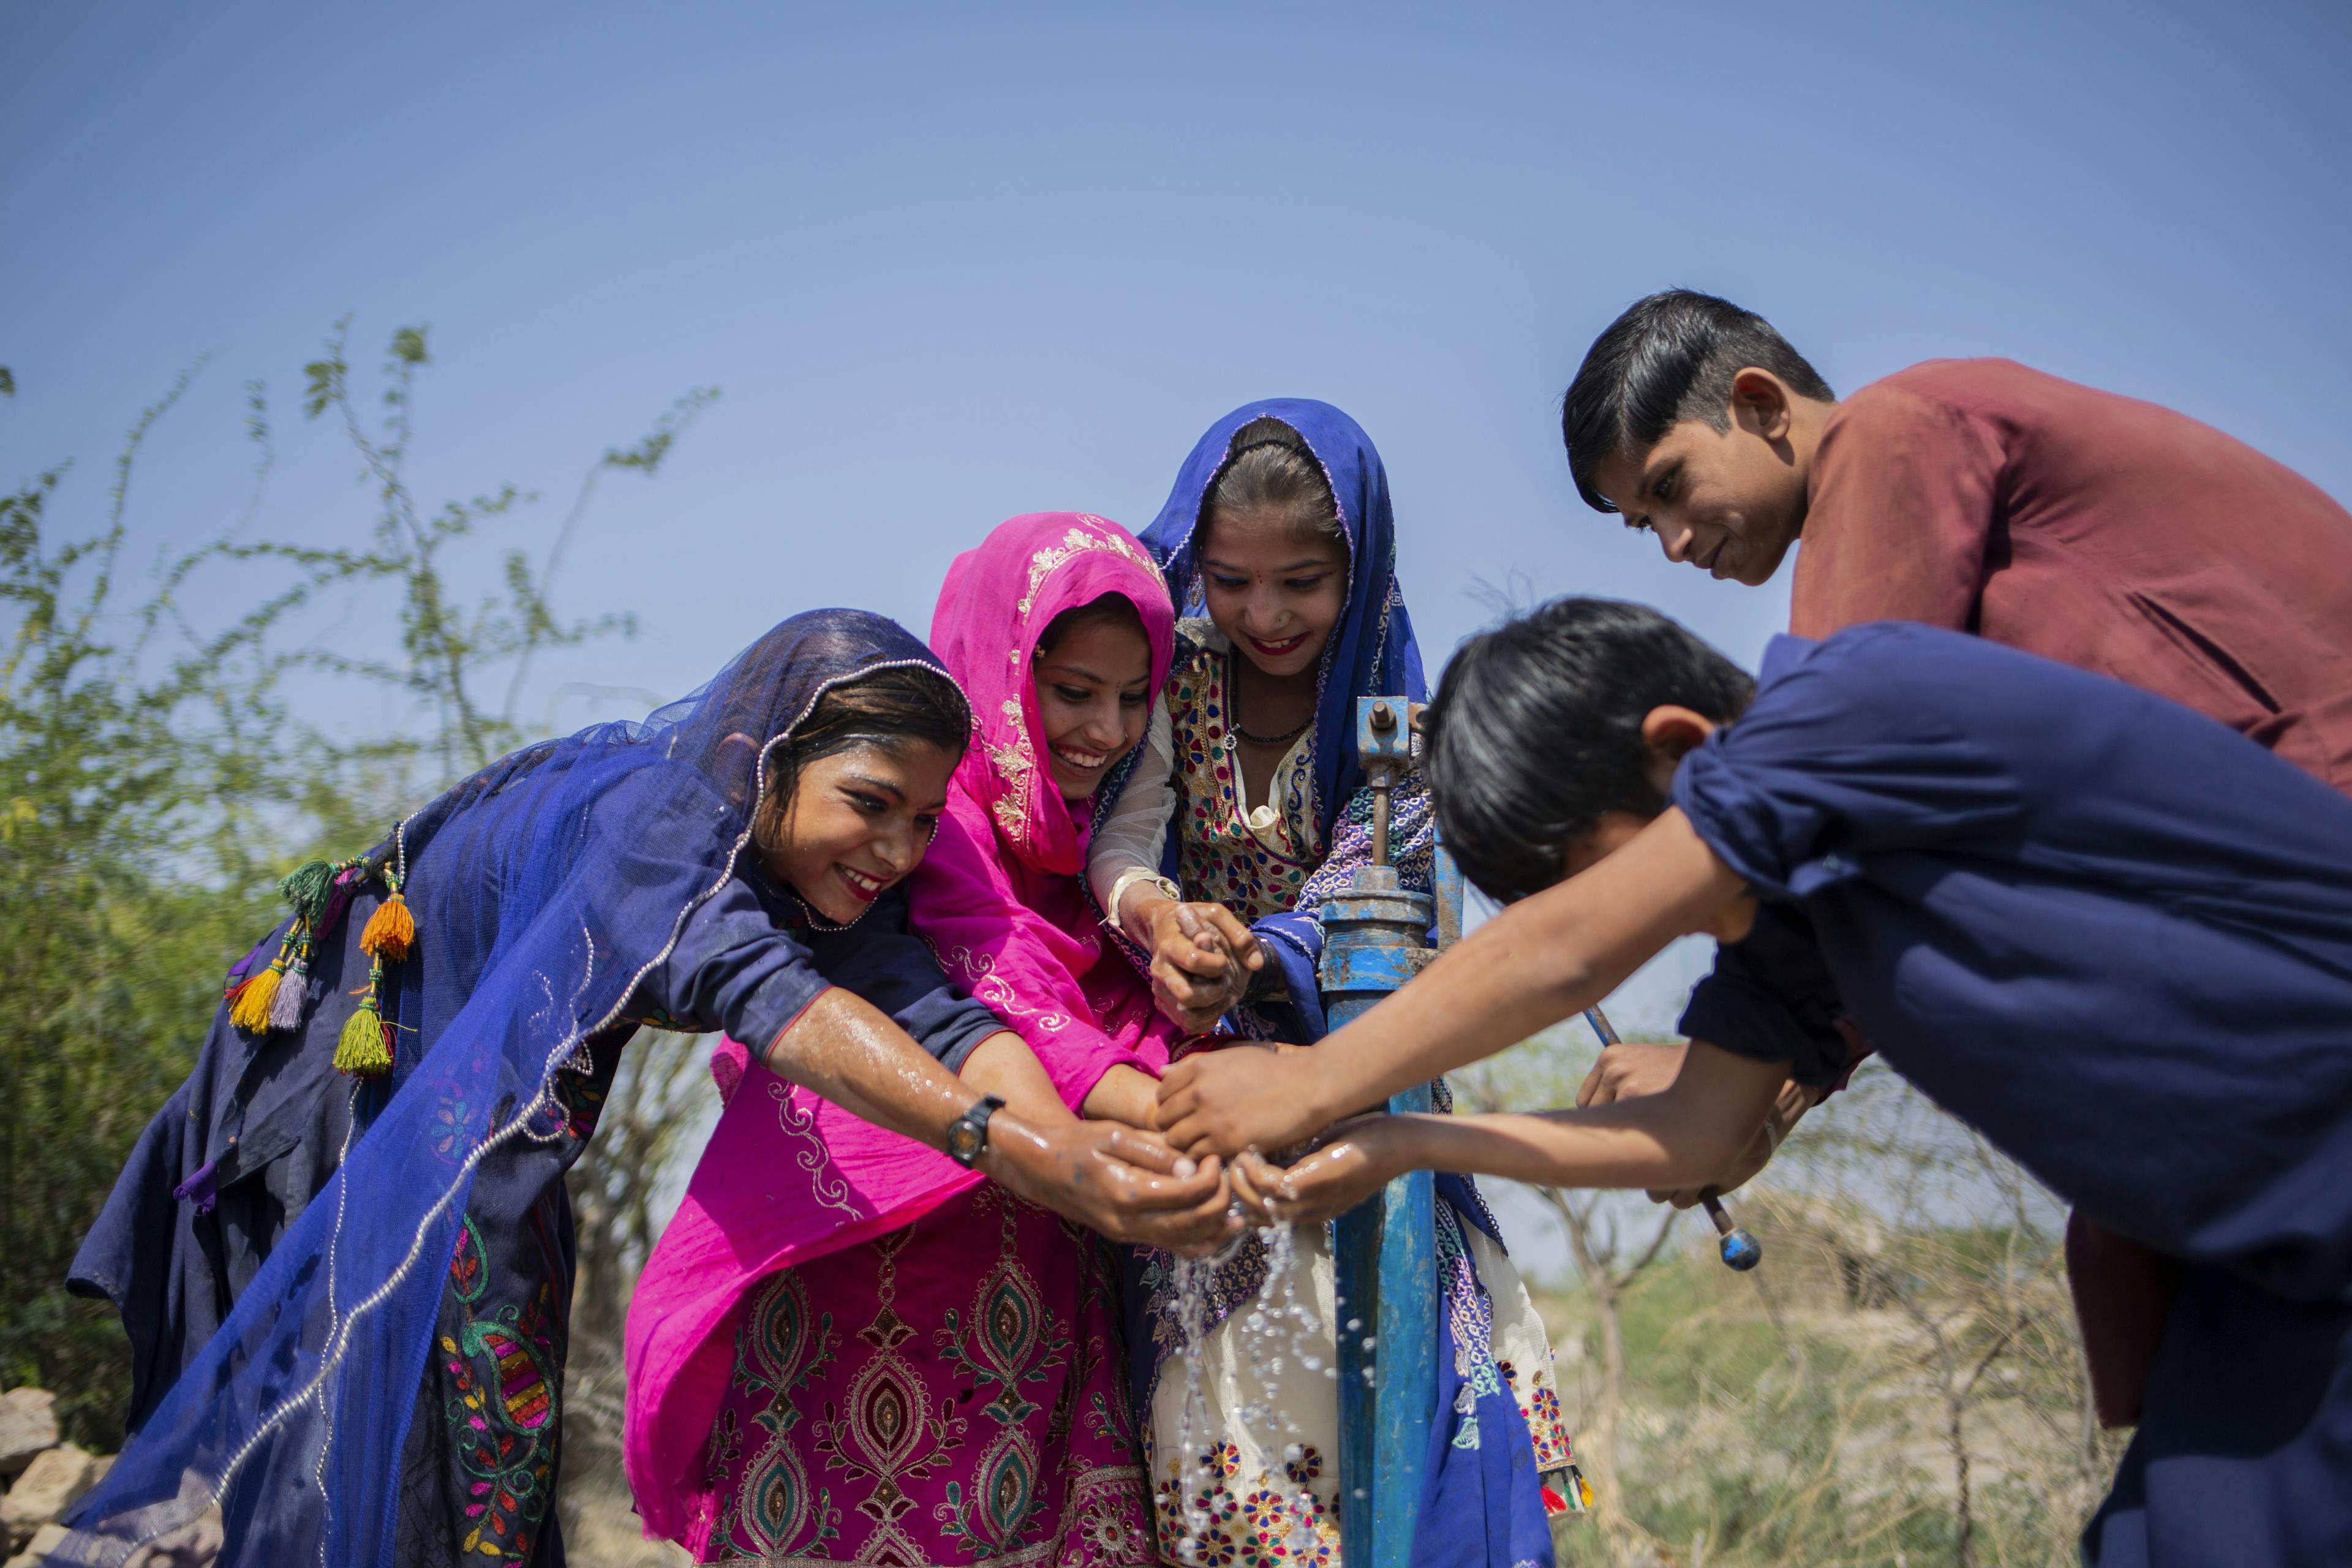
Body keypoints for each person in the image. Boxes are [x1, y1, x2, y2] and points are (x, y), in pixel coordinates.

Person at [1155, 598, 2352, 1568]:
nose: (1618, 923)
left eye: (1586, 873)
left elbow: (1568, 951)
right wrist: (1410, 1146)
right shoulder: (1794, 934)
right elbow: (1695, 1134)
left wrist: (1311, 1078)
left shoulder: (1855, 705)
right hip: (2268, 1275)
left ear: (1681, 751)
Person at [67, 609, 1227, 1568]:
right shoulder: (655, 818)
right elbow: (776, 1006)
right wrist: (1004, 1144)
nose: (896, 848)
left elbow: (942, 1018)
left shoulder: (806, 880)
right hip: (343, 1107)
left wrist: (1070, 1154)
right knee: (350, 1468)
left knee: (488, 1456)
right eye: (869, 802)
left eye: (924, 820)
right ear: (774, 757)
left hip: (487, 1154)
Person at [1556, 288, 2352, 1421]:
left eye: (1672, 487)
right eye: (1646, 525)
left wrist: (1722, 1075)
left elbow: (1824, 799)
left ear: (1759, 402)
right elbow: (1888, 860)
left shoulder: (1899, 432)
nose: (1675, 545)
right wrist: (1764, 1089)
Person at [624, 516, 1196, 1564]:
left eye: (1132, 698)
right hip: (860, 1269)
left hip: (1031, 1298)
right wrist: (1089, 1136)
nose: (1106, 729)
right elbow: (970, 989)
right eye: (1072, 690)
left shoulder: (1080, 861)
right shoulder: (905, 829)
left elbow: (941, 1011)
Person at [1087, 402, 1575, 1564]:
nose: (1265, 615)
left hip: (1354, 1068)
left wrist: (1261, 956)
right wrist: (1163, 921)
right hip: (1178, 1074)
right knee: (1201, 1399)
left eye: (1301, 581)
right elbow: (1125, 833)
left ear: (1358, 568)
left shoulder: (1392, 705)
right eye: (1230, 579)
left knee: (1409, 1377)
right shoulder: (1161, 679)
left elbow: (1385, 874)